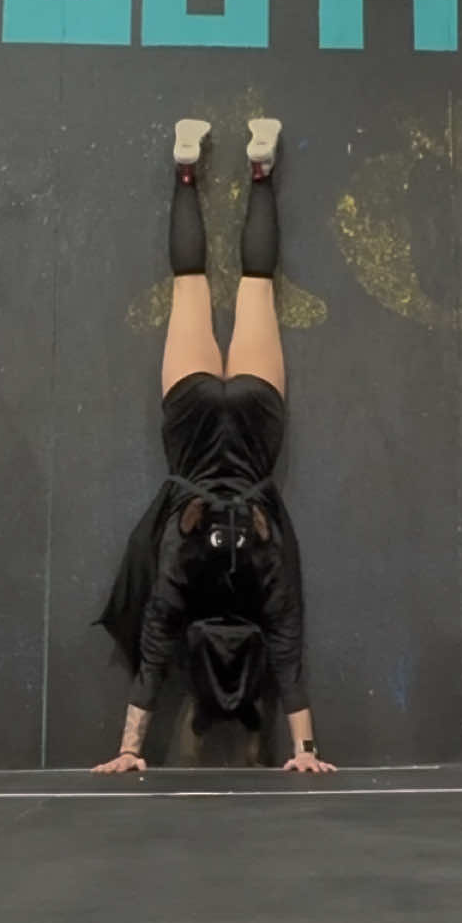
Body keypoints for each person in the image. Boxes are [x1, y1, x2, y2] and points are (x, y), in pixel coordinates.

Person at [94, 118, 334, 775]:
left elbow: (284, 646)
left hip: (253, 426)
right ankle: (186, 165)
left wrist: (129, 753)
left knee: (254, 285)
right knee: (191, 283)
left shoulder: (262, 551)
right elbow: (158, 642)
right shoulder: (179, 546)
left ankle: (258, 167)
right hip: (194, 423)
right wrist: (128, 748)